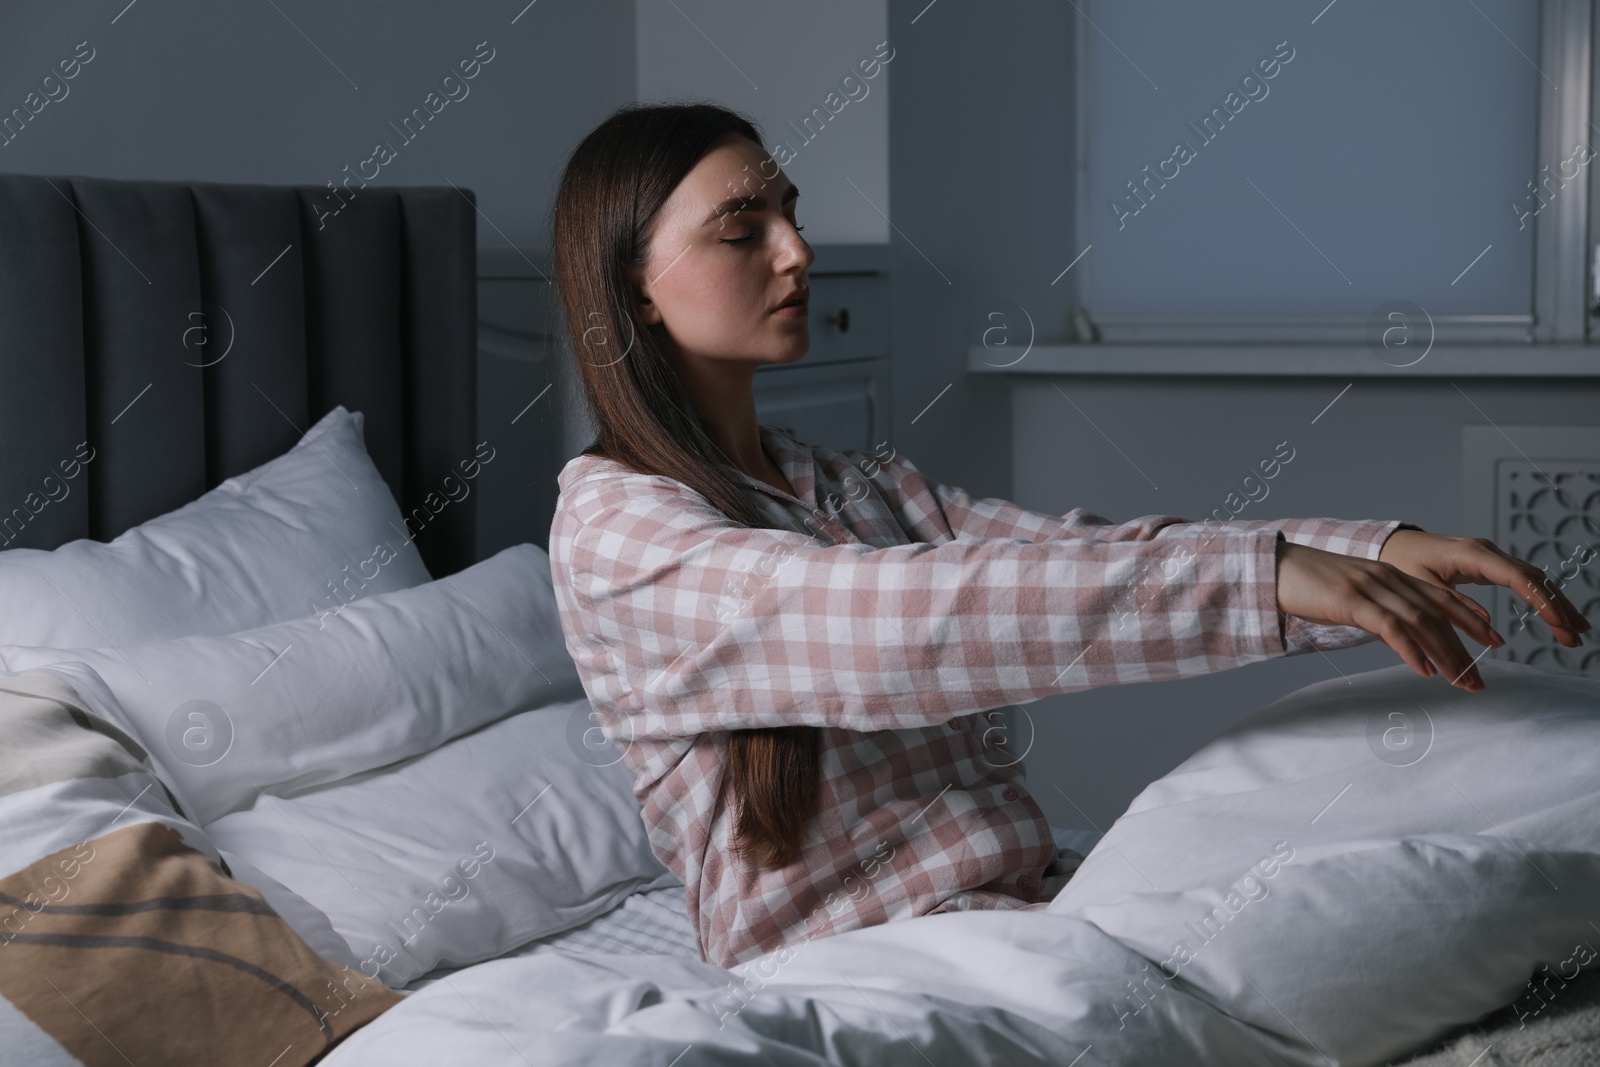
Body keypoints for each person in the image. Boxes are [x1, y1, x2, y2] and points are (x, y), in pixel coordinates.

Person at [544, 102, 1592, 970]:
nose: (798, 249)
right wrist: (1265, 578)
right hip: (861, 970)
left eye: (790, 212)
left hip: (1023, 912)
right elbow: (909, 622)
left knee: (1435, 765)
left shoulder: (842, 480)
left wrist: (1366, 553)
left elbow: (1073, 557)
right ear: (631, 281)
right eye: (742, 228)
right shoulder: (614, 527)